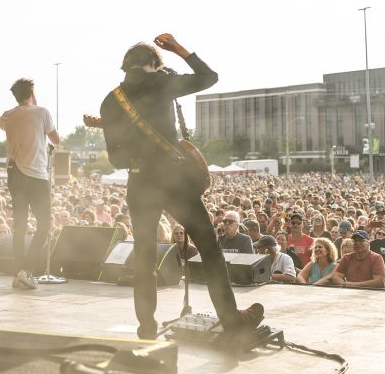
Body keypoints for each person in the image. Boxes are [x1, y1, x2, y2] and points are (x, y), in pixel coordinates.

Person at [97, 34, 263, 341]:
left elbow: (116, 158)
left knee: (145, 255)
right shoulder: (163, 84)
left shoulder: (111, 101)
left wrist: (138, 149)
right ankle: (231, 321)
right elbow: (208, 77)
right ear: (154, 63)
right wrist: (179, 49)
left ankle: (146, 327)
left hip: (139, 183)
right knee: (210, 248)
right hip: (173, 181)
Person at [0, 77, 60, 290]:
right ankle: (26, 271)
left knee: (19, 224)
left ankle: (19, 271)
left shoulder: (9, 116)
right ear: (32, 93)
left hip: (14, 174)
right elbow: (56, 140)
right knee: (45, 225)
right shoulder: (42, 112)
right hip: (36, 177)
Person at [321, 230, 385, 289]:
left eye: (361, 240)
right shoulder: (347, 258)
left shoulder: (377, 258)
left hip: (372, 295)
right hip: (351, 293)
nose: (357, 243)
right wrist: (344, 284)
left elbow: (379, 282)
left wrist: (353, 285)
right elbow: (336, 277)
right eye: (355, 241)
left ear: (368, 243)